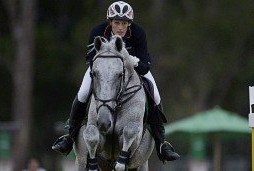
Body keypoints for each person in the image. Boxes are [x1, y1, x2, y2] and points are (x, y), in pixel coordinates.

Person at [53, 1, 180, 163]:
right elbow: (92, 61)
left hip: (133, 70)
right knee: (84, 92)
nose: (120, 27)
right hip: (103, 72)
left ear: (129, 23)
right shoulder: (98, 31)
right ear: (110, 22)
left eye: (124, 23)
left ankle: (162, 143)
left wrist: (130, 61)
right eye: (117, 23)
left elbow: (144, 66)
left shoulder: (138, 33)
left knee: (155, 95)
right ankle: (69, 137)